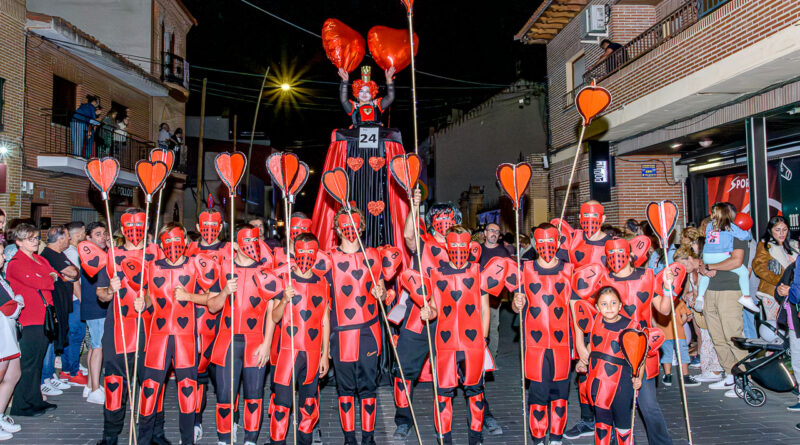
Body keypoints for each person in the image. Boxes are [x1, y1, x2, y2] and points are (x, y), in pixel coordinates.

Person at [133, 223, 227, 445]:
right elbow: (149, 297)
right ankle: (144, 439)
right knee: (149, 389)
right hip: (158, 337)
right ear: (162, 242)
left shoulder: (196, 264)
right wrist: (142, 302)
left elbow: (214, 301)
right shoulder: (152, 266)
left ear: (185, 241)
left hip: (186, 338)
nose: (173, 246)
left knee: (187, 390)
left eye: (178, 240)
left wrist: (190, 297)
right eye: (168, 240)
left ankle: (187, 440)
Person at [91, 209, 169, 445]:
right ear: (123, 230)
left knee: (151, 384)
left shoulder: (156, 253)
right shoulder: (111, 256)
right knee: (114, 384)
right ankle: (110, 435)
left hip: (150, 330)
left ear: (146, 228)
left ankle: (154, 433)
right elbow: (101, 295)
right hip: (118, 330)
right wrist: (112, 289)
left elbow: (164, 291)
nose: (135, 232)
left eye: (140, 227)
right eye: (130, 228)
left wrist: (146, 300)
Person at [416, 225, 498, 445]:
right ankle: (445, 438)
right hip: (446, 343)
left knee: (475, 391)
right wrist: (428, 312)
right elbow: (434, 307)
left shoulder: (478, 271)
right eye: (455, 245)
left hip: (473, 345)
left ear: (469, 246)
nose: (459, 249)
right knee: (443, 393)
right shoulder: (436, 273)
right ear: (447, 246)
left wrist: (485, 339)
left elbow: (484, 308)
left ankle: (475, 437)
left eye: (463, 245)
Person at [207, 225, 279, 445]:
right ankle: (224, 438)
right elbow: (212, 306)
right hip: (227, 341)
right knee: (225, 397)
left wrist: (267, 343)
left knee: (254, 396)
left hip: (255, 341)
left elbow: (272, 312)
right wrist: (225, 292)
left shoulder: (265, 273)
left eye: (255, 240)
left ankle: (250, 440)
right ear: (236, 245)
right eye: (247, 240)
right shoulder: (224, 268)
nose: (252, 244)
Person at [325, 207, 389, 445]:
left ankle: (369, 439)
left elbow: (381, 292)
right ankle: (350, 439)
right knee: (345, 389)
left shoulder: (373, 255)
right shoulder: (329, 258)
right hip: (340, 333)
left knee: (368, 387)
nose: (350, 229)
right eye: (345, 225)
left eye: (355, 224)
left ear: (362, 226)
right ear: (337, 228)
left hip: (368, 332)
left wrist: (380, 293)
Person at [510, 223, 573, 444]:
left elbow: (575, 308)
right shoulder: (524, 270)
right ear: (536, 244)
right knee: (538, 391)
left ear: (557, 243)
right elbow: (517, 306)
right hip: (535, 343)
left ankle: (555, 437)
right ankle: (538, 437)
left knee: (560, 392)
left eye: (550, 241)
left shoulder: (569, 270)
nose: (546, 246)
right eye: (542, 242)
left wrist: (582, 346)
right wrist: (517, 304)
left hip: (563, 342)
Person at [268, 232, 331, 445]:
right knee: (282, 405)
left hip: (312, 354)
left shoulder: (323, 283)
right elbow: (275, 317)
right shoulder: (284, 279)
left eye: (309, 251)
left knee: (308, 404)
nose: (305, 256)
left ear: (316, 253)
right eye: (300, 251)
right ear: (295, 251)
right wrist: (284, 299)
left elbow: (324, 319)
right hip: (287, 352)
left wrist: (325, 354)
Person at [573, 287, 646, 445]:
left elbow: (640, 358)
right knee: (602, 420)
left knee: (622, 420)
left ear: (620, 305)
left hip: (622, 383)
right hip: (598, 382)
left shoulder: (631, 326)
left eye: (613, 303)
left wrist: (638, 378)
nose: (609, 307)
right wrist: (582, 362)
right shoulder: (595, 322)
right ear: (598, 307)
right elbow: (593, 346)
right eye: (604, 304)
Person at [186, 207, 230, 441]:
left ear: (221, 227)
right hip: (197, 322)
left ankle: (231, 420)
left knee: (226, 378)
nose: (211, 231)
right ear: (198, 228)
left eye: (216, 226)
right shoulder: (189, 250)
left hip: (225, 324)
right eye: (206, 226)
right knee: (198, 375)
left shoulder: (230, 250)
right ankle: (195, 421)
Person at [6, 223, 58, 416]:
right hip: (30, 317)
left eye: (36, 238)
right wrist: (49, 277)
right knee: (28, 363)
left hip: (44, 316)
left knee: (37, 361)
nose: (35, 241)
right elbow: (44, 281)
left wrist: (49, 277)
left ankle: (35, 399)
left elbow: (55, 275)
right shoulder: (16, 263)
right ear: (18, 242)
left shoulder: (39, 259)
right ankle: (21, 405)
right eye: (30, 238)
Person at [699, 202, 750, 396]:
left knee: (732, 336)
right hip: (711, 289)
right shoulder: (714, 236)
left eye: (714, 213)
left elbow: (736, 261)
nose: (711, 216)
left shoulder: (737, 235)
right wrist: (703, 267)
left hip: (730, 289)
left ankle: (744, 379)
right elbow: (705, 259)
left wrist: (712, 267)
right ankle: (730, 374)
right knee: (717, 336)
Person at [39, 226, 79, 396]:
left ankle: (50, 375)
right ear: (60, 239)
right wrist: (70, 275)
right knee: (50, 340)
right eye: (67, 237)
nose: (69, 240)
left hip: (62, 302)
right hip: (53, 303)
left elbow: (74, 274)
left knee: (56, 339)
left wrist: (71, 275)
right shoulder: (49, 255)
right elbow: (72, 272)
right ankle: (44, 379)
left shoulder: (60, 254)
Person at [673, 247, 724, 383]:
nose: (683, 268)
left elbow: (713, 288)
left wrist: (697, 297)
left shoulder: (704, 268)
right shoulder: (691, 273)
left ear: (690, 258)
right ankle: (708, 370)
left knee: (714, 339)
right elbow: (696, 291)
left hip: (713, 309)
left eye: (683, 264)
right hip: (702, 312)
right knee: (706, 339)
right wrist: (692, 296)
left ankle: (716, 369)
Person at [696, 204, 757, 313]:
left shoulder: (710, 225)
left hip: (707, 256)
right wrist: (749, 235)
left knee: (706, 275)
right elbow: (744, 236)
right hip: (720, 256)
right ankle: (746, 297)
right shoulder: (728, 226)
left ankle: (700, 297)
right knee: (743, 271)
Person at [82, 222, 111, 405]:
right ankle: (94, 390)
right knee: (98, 346)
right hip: (95, 305)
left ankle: (90, 385)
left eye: (104, 233)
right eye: (98, 234)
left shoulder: (101, 254)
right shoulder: (90, 256)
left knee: (94, 345)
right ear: (88, 238)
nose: (103, 237)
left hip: (97, 305)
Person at [752, 216, 798, 320]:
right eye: (777, 230)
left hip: (792, 291)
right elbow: (759, 267)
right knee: (776, 327)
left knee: (792, 327)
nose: (781, 233)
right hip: (773, 292)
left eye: (784, 229)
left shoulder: (793, 246)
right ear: (770, 230)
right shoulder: (765, 246)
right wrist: (781, 282)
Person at [60, 221, 88, 386]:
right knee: (75, 335)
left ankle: (67, 370)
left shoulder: (72, 251)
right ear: (81, 232)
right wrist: (83, 301)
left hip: (74, 300)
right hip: (75, 301)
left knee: (72, 336)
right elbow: (74, 281)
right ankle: (72, 371)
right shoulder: (72, 253)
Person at [0, 248, 24, 439]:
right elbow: (10, 308)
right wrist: (19, 302)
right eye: (0, 254)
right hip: (1, 334)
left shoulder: (1, 277)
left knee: (13, 374)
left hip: (8, 332)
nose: (3, 257)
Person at [772, 254, 800, 412]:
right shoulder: (794, 266)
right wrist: (781, 290)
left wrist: (791, 290)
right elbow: (778, 290)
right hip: (794, 321)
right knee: (797, 360)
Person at [479, 223, 509, 360]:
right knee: (477, 327)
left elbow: (509, 273)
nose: (494, 234)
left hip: (493, 298)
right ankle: (478, 358)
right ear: (485, 233)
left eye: (497, 231)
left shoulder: (503, 252)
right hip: (476, 295)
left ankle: (491, 358)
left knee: (492, 328)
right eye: (491, 230)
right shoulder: (477, 250)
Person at [655, 297, 698, 387]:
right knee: (683, 354)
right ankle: (685, 376)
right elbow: (685, 316)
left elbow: (653, 318)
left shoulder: (657, 302)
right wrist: (679, 324)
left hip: (664, 334)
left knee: (666, 354)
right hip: (679, 334)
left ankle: (668, 376)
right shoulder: (678, 301)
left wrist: (659, 328)